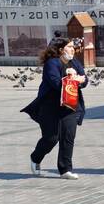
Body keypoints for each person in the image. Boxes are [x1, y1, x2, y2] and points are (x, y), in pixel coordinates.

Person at [22, 37, 86, 180]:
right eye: (69, 47)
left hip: (70, 105)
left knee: (68, 136)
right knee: (51, 138)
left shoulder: (74, 62)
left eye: (72, 47)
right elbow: (57, 84)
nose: (72, 49)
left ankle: (65, 169)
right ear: (60, 50)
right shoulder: (52, 64)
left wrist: (80, 80)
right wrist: (74, 80)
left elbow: (84, 79)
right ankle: (35, 158)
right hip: (50, 107)